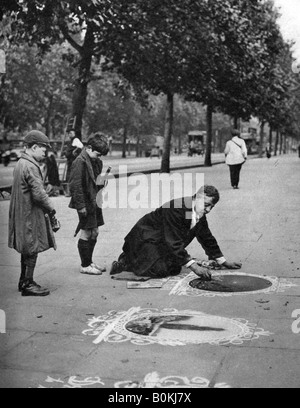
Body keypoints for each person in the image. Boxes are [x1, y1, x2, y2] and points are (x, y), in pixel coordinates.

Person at [110, 185, 242, 280]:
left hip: (160, 240)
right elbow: (173, 240)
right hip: (144, 239)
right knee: (159, 270)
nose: (208, 210)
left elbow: (206, 236)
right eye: (205, 204)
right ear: (196, 198)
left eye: (211, 206)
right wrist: (195, 267)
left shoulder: (195, 209)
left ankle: (142, 259)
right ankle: (127, 260)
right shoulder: (177, 208)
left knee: (173, 268)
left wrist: (222, 261)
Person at [8, 130, 59, 297]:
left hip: (21, 213)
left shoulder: (21, 163)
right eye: (43, 150)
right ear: (34, 147)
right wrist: (52, 209)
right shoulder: (31, 166)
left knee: (27, 248)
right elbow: (39, 194)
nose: (44, 153)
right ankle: (28, 283)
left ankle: (24, 280)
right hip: (30, 214)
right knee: (32, 247)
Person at [69, 132, 109, 275]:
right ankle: (85, 265)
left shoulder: (95, 161)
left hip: (94, 201)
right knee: (87, 232)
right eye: (98, 154)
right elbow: (75, 186)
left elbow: (95, 181)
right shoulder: (80, 162)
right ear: (89, 148)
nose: (99, 157)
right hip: (86, 203)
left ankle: (89, 261)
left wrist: (102, 181)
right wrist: (81, 206)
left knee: (95, 232)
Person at [64, 130, 83, 196]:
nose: (70, 134)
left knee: (72, 176)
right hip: (70, 161)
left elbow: (80, 146)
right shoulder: (70, 141)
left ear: (74, 133)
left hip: (73, 161)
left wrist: (74, 151)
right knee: (69, 175)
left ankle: (71, 192)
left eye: (71, 133)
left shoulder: (76, 139)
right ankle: (70, 191)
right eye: (69, 133)